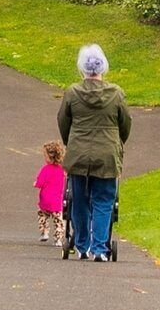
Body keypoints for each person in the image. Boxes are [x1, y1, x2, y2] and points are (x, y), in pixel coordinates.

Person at [54, 43, 131, 261]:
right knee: (104, 200)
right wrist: (117, 142)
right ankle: (100, 247)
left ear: (82, 69)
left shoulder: (72, 93)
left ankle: (82, 245)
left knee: (79, 199)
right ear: (103, 67)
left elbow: (63, 121)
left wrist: (72, 142)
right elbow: (125, 123)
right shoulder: (116, 94)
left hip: (79, 153)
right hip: (107, 153)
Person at [34, 141, 67, 248]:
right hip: (57, 202)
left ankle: (44, 232)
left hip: (45, 200)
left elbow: (39, 183)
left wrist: (36, 184)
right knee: (59, 222)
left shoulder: (45, 169)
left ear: (50, 157)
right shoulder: (62, 170)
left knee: (42, 216)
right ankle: (58, 239)